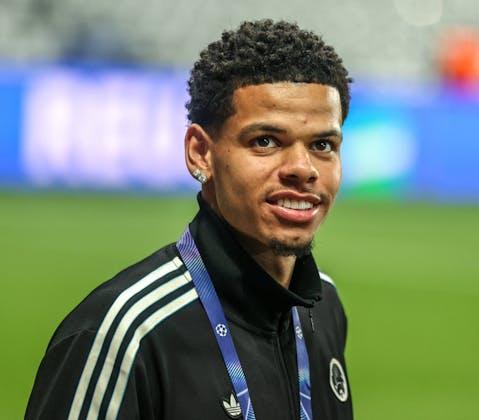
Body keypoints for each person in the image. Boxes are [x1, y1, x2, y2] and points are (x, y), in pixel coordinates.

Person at [26, 19, 353, 420]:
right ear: (200, 152)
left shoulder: (323, 307)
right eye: (265, 141)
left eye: (323, 145)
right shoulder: (125, 332)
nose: (303, 169)